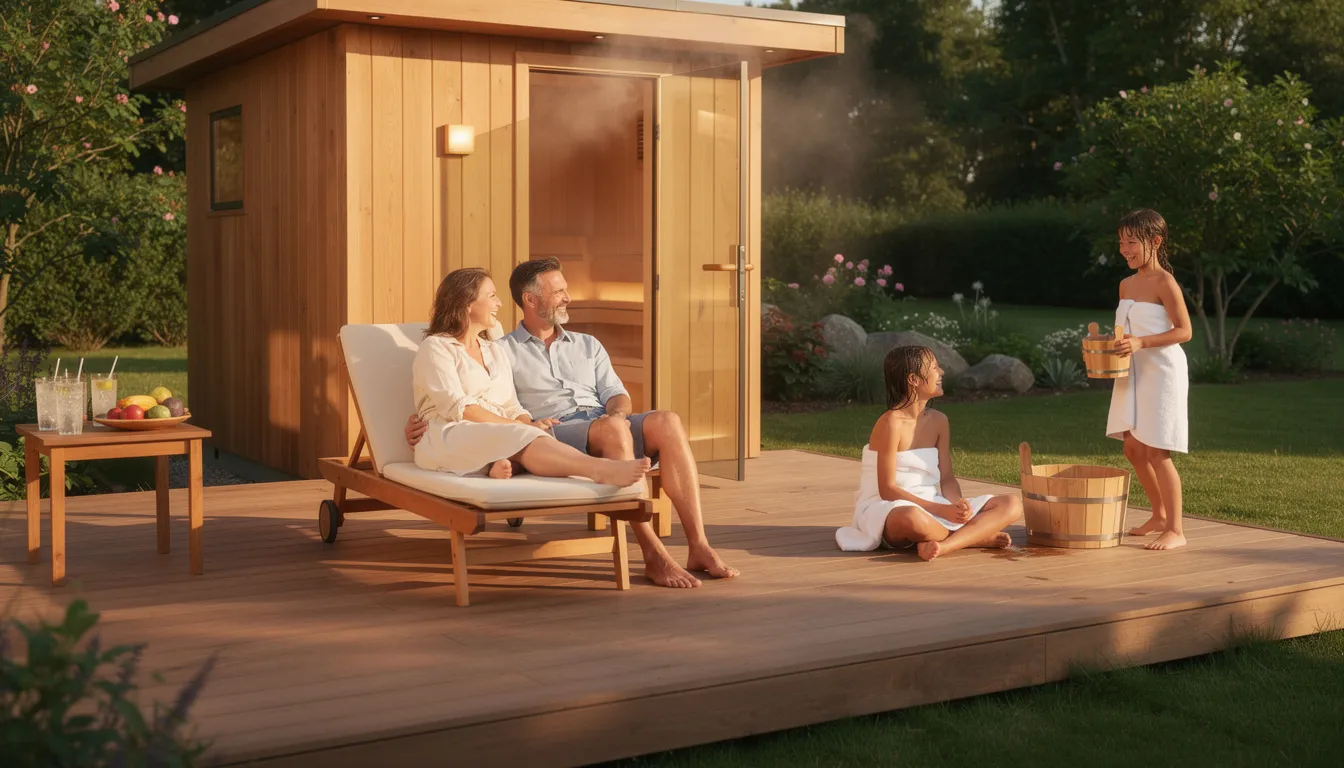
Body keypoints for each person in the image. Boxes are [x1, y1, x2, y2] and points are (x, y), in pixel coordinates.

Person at [406, 258, 738, 589]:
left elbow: (614, 394)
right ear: (531, 300)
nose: (568, 298)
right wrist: (423, 420)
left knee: (667, 421)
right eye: (559, 291)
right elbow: (466, 398)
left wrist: (618, 415)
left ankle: (699, 546)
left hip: (600, 420)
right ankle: (653, 553)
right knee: (612, 430)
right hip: (558, 430)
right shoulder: (503, 349)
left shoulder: (587, 344)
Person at [411, 267, 650, 489]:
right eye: (492, 295)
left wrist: (527, 423)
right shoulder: (436, 348)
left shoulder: (493, 350)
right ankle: (599, 470)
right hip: (449, 433)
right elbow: (460, 409)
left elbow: (511, 405)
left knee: (529, 433)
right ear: (467, 303)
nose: (500, 303)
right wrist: (520, 427)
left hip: (495, 432)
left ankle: (496, 464)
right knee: (522, 434)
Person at [835, 345, 1021, 562]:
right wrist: (942, 512)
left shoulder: (939, 421)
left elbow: (948, 478)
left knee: (1011, 504)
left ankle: (944, 546)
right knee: (912, 519)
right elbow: (887, 490)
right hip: (887, 508)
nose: (941, 372)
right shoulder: (890, 423)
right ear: (913, 379)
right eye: (934, 367)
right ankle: (973, 537)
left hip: (933, 503)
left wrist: (957, 504)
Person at [1104, 208, 1192, 551]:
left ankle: (1176, 529)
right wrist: (1112, 345)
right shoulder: (1126, 284)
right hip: (1132, 370)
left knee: (1157, 450)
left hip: (1162, 371)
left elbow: (1184, 331)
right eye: (1121, 243)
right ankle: (1157, 514)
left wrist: (1141, 342)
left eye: (1131, 242)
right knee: (1132, 447)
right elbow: (1127, 328)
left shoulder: (1165, 283)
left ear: (1155, 241)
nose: (1125, 249)